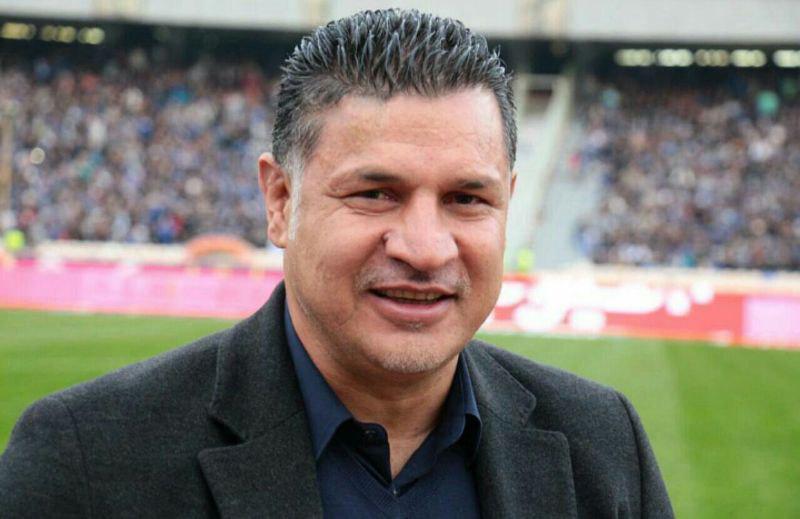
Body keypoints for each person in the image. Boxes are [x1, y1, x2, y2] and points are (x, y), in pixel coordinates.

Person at [0, 9, 673, 518]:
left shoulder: (603, 446)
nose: (425, 248)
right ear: (280, 201)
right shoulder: (84, 463)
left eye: (467, 199)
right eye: (375, 193)